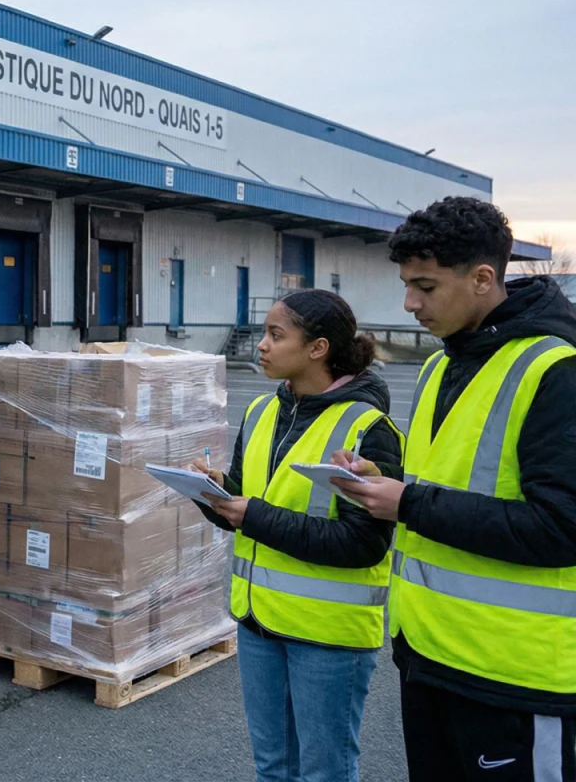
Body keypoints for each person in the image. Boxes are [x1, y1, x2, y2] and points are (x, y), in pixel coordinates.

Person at [333, 197, 576, 780]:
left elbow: (562, 528)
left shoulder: (555, 369)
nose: (409, 303)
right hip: (429, 657)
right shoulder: (440, 366)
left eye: (425, 286)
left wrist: (407, 503)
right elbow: (448, 482)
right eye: (405, 285)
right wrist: (385, 485)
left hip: (520, 678)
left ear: (483, 278)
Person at [191, 289, 404, 782]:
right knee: (274, 768)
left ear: (318, 348)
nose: (261, 345)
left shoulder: (369, 428)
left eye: (275, 335)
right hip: (258, 622)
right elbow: (244, 507)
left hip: (328, 636)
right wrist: (212, 492)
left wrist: (253, 515)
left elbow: (364, 544)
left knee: (325, 772)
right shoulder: (263, 412)